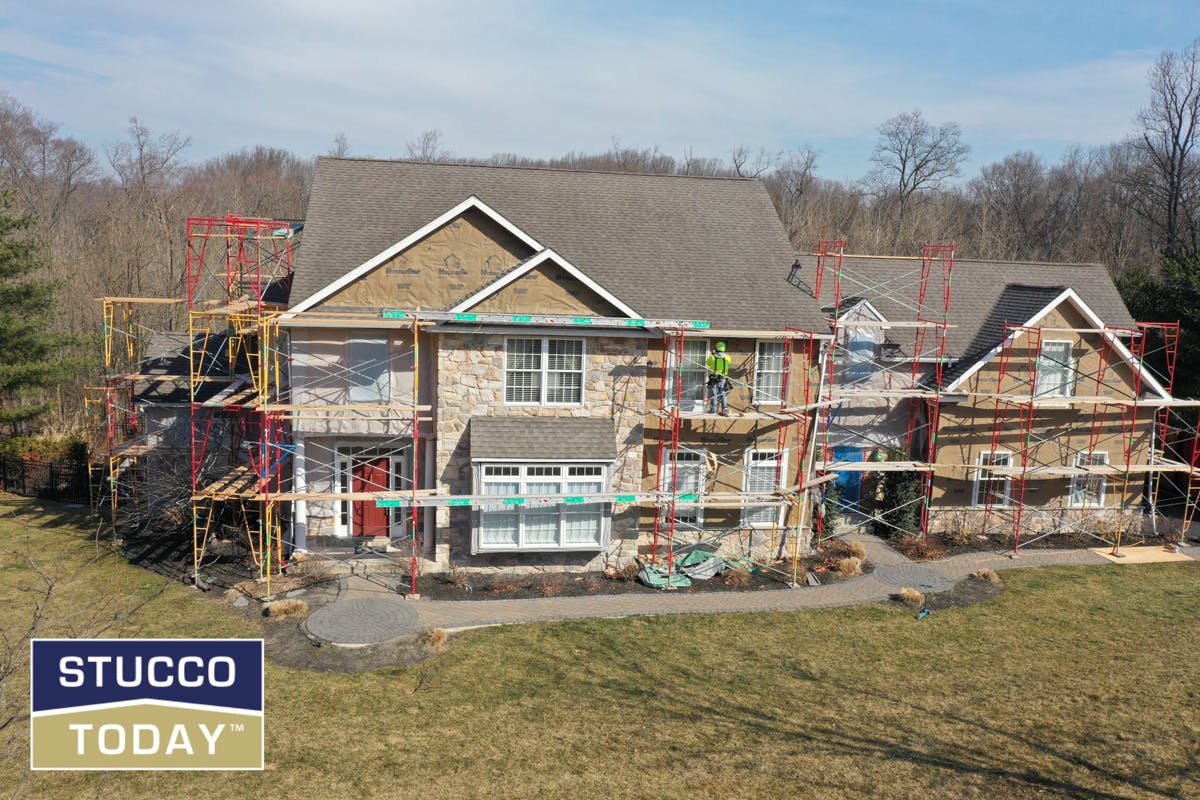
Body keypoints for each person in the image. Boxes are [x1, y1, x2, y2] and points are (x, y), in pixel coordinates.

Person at [705, 341, 731, 415]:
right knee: (722, 393)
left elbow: (707, 363)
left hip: (714, 377)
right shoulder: (727, 357)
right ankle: (724, 409)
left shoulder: (712, 357)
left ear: (716, 348)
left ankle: (713, 410)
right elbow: (729, 362)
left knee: (714, 393)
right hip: (723, 378)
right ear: (724, 348)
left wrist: (713, 354)